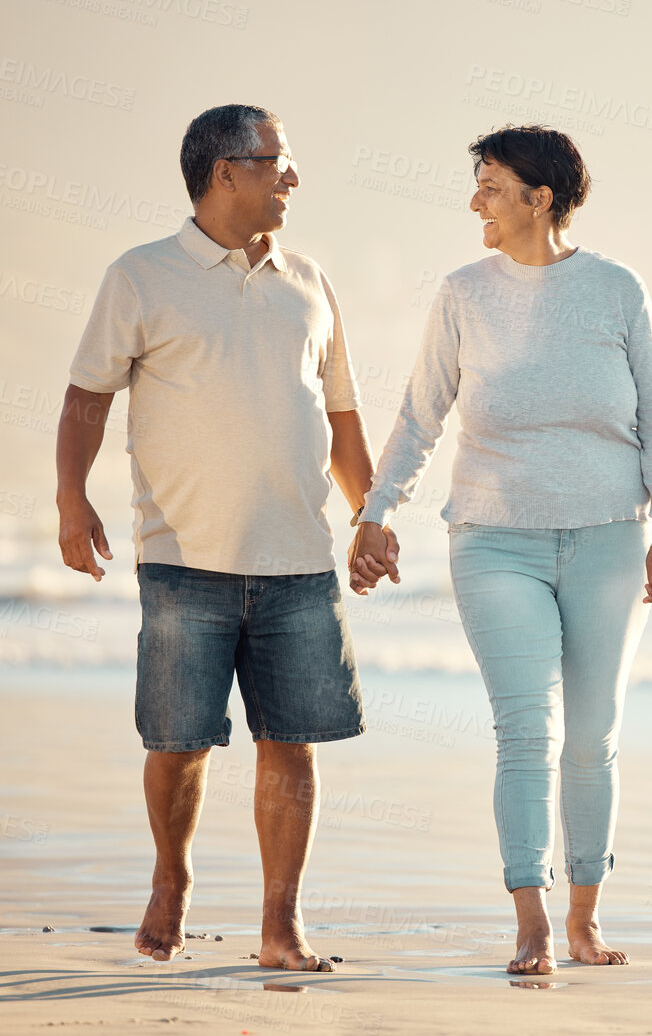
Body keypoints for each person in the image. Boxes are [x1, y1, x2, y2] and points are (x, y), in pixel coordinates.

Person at [55, 104, 393, 972]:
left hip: (298, 560)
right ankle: (172, 876)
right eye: (276, 160)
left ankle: (282, 925)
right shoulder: (141, 276)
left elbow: (343, 414)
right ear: (223, 172)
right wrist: (70, 498)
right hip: (182, 558)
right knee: (178, 740)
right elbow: (88, 396)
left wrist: (368, 516)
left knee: (293, 738)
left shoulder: (310, 281)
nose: (291, 175)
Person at [350, 124, 652, 974]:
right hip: (495, 541)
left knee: (594, 733)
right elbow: (421, 413)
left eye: (490, 187)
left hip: (611, 538)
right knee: (525, 729)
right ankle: (531, 920)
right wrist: (378, 508)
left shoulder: (616, 290)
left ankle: (584, 916)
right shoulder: (465, 293)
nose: (476, 204)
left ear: (541, 198)